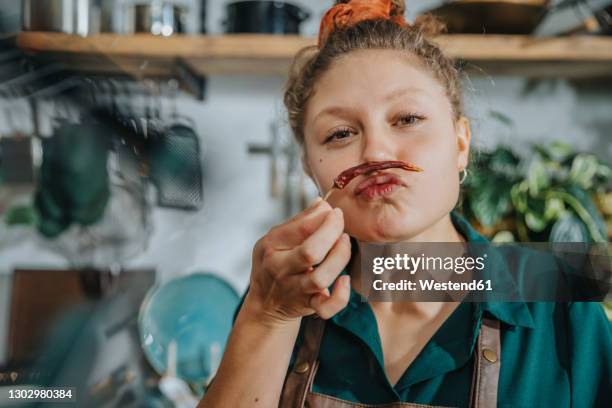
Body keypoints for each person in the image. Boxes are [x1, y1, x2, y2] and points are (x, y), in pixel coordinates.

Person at [198, 0, 611, 406]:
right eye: (340, 133)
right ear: (310, 168)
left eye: (407, 119)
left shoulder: (563, 296)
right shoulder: (280, 296)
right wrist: (268, 316)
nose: (376, 152)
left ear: (461, 143)